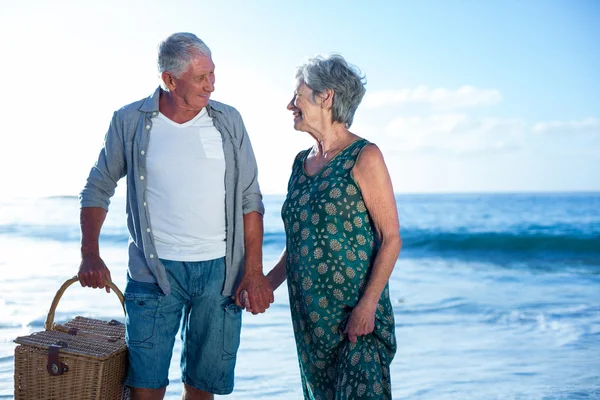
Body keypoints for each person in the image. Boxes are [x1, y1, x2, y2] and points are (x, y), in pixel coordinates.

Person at [77, 32, 273, 400]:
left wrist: (254, 271)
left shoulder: (228, 122)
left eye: (213, 74)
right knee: (145, 390)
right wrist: (90, 252)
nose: (211, 85)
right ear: (169, 79)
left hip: (219, 274)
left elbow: (250, 198)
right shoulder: (129, 121)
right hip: (153, 274)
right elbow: (97, 187)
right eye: (201, 78)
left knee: (202, 390)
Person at [263, 54, 401, 399]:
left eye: (297, 96)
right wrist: (265, 284)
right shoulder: (300, 163)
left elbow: (391, 239)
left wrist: (367, 307)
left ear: (326, 97)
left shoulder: (364, 156)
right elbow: (299, 240)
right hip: (310, 319)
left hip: (354, 318)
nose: (289, 105)